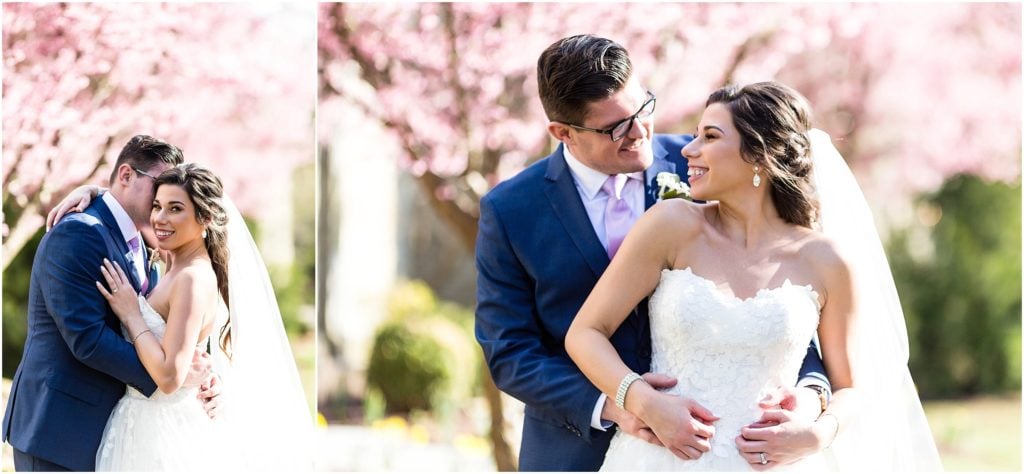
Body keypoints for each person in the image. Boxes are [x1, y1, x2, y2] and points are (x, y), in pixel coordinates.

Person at [474, 35, 832, 472]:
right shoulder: (511, 210)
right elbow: (510, 351)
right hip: (574, 449)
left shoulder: (710, 165)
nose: (640, 131)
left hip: (728, 447)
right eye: (615, 128)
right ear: (563, 133)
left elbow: (785, 299)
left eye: (643, 108)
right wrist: (620, 404)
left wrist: (812, 394)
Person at [565, 82, 942, 471]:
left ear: (759, 154)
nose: (688, 150)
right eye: (695, 135)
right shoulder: (670, 225)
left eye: (710, 137)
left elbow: (850, 388)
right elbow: (586, 332)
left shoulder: (827, 260)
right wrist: (642, 399)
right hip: (660, 458)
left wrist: (817, 434)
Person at [46, 163, 314, 471]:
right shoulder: (174, 265)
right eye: (158, 206)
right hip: (141, 421)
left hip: (160, 430)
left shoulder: (192, 279)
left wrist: (132, 314)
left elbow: (171, 377)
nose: (160, 218)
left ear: (205, 219)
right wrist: (92, 192)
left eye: (175, 209)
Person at [1, 136, 220, 471]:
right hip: (59, 428)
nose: (161, 204)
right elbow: (87, 338)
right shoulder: (80, 233)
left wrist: (194, 371)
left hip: (109, 429)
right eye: (157, 188)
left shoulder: (145, 242)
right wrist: (170, 382)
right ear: (126, 175)